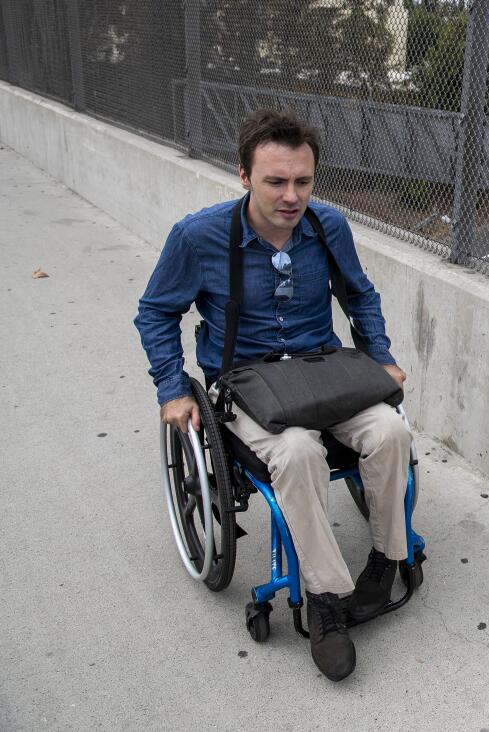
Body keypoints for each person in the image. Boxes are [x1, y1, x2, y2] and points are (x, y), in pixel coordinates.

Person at [135, 109, 410, 682]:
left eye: (303, 182)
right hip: (248, 380)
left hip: (323, 369)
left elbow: (360, 295)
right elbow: (156, 312)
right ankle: (327, 601)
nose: (291, 196)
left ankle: (387, 560)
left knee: (391, 431)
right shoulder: (199, 236)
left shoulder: (327, 226)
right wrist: (171, 388)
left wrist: (380, 356)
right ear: (243, 175)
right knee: (298, 454)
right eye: (275, 181)